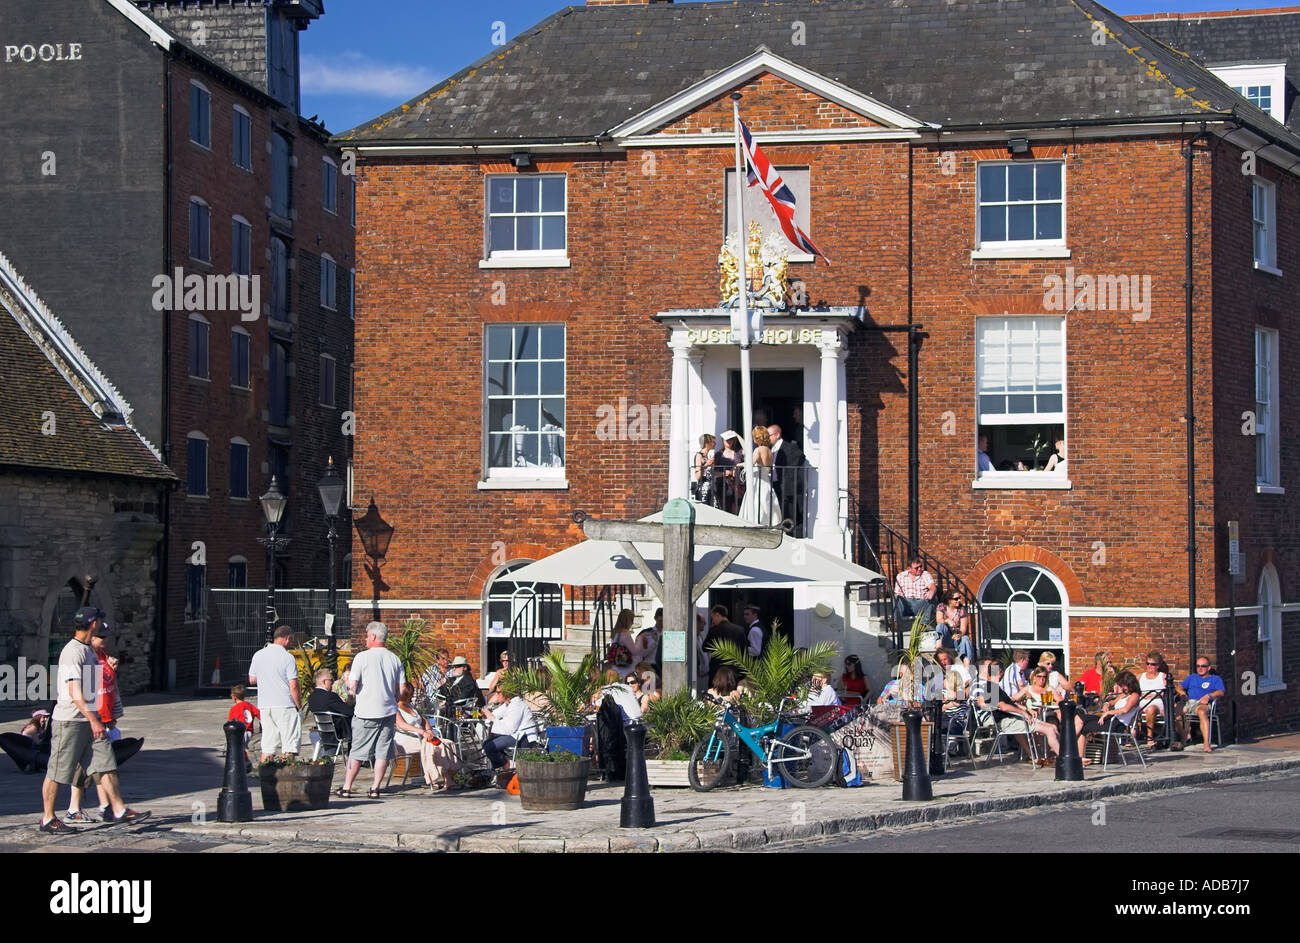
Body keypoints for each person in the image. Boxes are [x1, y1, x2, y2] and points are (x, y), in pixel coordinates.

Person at [40, 607, 148, 834]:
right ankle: (48, 818)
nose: (101, 625)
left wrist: (100, 717)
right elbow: (74, 690)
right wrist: (93, 719)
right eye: (99, 621)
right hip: (70, 721)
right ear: (93, 624)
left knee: (106, 763)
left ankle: (118, 810)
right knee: (58, 772)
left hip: (91, 721)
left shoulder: (89, 651)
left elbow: (93, 689)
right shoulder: (72, 652)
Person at [339, 621, 405, 799]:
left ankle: (347, 787)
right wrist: (394, 699)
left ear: (374, 636)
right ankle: (375, 787)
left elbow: (352, 686)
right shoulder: (395, 659)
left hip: (366, 711)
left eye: (367, 635)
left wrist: (350, 692)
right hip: (388, 711)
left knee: (358, 751)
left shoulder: (362, 657)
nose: (366, 639)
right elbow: (402, 689)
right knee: (383, 751)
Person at [66, 626, 122, 823]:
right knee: (93, 766)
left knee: (100, 765)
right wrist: (92, 718)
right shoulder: (84, 657)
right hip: (89, 719)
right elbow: (81, 691)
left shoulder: (103, 655)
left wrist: (113, 713)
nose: (104, 640)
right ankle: (95, 807)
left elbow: (110, 688)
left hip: (102, 717)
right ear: (90, 637)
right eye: (101, 637)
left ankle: (106, 807)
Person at [247, 624, 302, 760]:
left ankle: (265, 776)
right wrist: (299, 705)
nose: (292, 643)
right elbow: (293, 685)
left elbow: (252, 680)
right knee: (289, 746)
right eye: (292, 640)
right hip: (285, 705)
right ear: (287, 638)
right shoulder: (287, 657)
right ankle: (287, 778)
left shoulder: (258, 654)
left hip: (265, 705)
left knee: (268, 746)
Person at [393, 682, 460, 789]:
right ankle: (433, 778)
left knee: (446, 743)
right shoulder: (394, 707)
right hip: (406, 739)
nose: (411, 697)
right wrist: (422, 732)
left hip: (421, 737)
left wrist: (429, 730)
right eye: (409, 695)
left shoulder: (410, 706)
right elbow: (401, 725)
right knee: (433, 746)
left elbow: (423, 720)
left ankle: (449, 777)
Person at [1075, 671, 1145, 764]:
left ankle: (1076, 755)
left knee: (1084, 728)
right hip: (1110, 719)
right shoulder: (1124, 694)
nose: (1122, 688)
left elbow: (1125, 710)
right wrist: (1106, 704)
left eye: (1123, 685)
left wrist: (1109, 712)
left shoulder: (1134, 695)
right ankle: (1069, 742)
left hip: (1117, 724)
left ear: (1130, 684)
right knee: (1081, 717)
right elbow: (1112, 702)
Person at [1174, 659, 1225, 753]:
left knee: (1202, 712)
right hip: (1189, 702)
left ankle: (1206, 743)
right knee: (1175, 711)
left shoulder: (1215, 679)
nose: (1200, 668)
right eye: (1198, 666)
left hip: (1203, 703)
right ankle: (1184, 736)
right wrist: (1182, 693)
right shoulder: (1192, 677)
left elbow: (1221, 692)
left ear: (1209, 668)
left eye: (1203, 666)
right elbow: (1179, 687)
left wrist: (1209, 695)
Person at [482, 690, 538, 770]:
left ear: (505, 693)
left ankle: (507, 767)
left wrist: (492, 718)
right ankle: (503, 768)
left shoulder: (517, 705)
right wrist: (487, 713)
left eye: (498, 693)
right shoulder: (508, 704)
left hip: (524, 738)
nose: (496, 695)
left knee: (490, 746)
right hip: (514, 735)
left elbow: (510, 729)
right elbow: (496, 714)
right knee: (486, 744)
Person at [739, 425, 783, 525]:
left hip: (758, 480)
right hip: (766, 481)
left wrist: (738, 465)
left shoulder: (758, 450)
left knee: (756, 504)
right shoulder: (769, 451)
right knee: (766, 503)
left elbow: (750, 463)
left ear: (757, 438)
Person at [768, 423, 805, 532]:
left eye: (769, 435)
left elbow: (800, 457)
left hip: (787, 486)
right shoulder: (772, 449)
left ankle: (790, 535)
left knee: (789, 514)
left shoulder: (789, 446)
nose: (767, 438)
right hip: (775, 485)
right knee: (779, 513)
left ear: (777, 435)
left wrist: (788, 474)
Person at [307, 667, 354, 742]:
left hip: (322, 729)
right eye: (331, 680)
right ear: (324, 681)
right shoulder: (330, 696)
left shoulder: (311, 697)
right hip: (338, 731)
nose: (332, 682)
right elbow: (349, 712)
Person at [1137, 650, 1169, 748]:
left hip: (1157, 702)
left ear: (1158, 665)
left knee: (1151, 709)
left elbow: (1167, 692)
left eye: (1153, 664)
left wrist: (1155, 695)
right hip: (1142, 701)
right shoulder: (1140, 676)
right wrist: (1142, 695)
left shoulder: (1163, 676)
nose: (1150, 666)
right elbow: (1134, 691)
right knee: (1133, 708)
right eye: (1148, 664)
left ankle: (1149, 736)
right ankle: (1134, 735)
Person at [893, 558, 936, 630]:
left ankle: (923, 624)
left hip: (920, 603)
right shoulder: (900, 576)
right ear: (909, 569)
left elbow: (932, 586)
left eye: (921, 566)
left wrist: (931, 592)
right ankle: (896, 622)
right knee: (897, 598)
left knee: (932, 597)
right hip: (905, 604)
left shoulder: (925, 574)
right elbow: (897, 593)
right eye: (916, 568)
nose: (920, 569)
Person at [692, 433, 717, 504]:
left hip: (712, 489)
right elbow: (698, 476)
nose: (715, 443)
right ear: (707, 443)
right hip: (703, 490)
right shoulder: (699, 456)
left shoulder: (708, 456)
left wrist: (725, 473)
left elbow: (711, 474)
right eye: (713, 441)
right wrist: (707, 464)